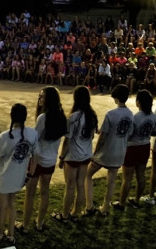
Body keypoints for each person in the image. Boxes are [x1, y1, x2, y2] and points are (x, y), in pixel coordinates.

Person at [0, 103, 38, 244]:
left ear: (12, 116)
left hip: (4, 177)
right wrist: (30, 174)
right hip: (19, 176)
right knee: (12, 204)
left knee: (2, 205)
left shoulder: (5, 136)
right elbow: (35, 156)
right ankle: (11, 234)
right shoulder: (33, 133)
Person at [84, 84, 134, 215]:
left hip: (107, 151)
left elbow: (102, 137)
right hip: (120, 151)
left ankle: (89, 205)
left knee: (88, 175)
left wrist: (95, 152)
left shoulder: (111, 114)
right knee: (111, 180)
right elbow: (129, 133)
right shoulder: (130, 114)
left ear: (116, 97)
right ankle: (105, 208)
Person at [22, 86, 66, 232]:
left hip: (37, 161)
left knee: (30, 194)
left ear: (49, 99)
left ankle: (25, 225)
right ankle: (40, 223)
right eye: (39, 96)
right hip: (50, 161)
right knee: (45, 192)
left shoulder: (43, 118)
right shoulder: (61, 116)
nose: (39, 99)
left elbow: (34, 140)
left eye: (42, 96)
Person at [53, 86, 97, 222]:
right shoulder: (92, 115)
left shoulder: (73, 117)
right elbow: (91, 135)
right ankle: (75, 213)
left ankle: (65, 215)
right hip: (86, 155)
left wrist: (61, 157)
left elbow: (67, 140)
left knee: (70, 187)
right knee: (80, 185)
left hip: (73, 156)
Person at [115, 90, 156, 208]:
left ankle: (121, 203)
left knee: (127, 178)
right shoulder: (153, 117)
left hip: (132, 148)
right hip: (145, 146)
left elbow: (129, 134)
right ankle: (137, 200)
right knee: (141, 175)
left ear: (138, 102)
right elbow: (154, 133)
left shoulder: (135, 117)